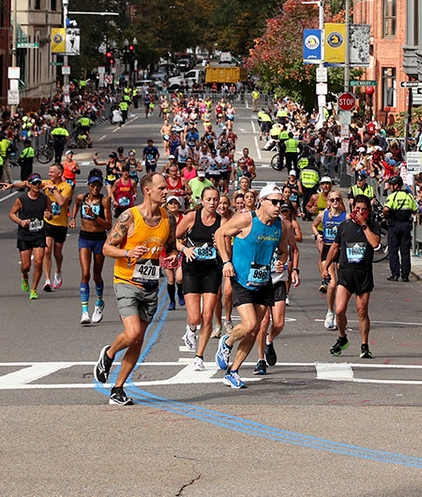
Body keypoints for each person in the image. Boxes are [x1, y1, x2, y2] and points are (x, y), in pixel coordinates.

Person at [93, 172, 180, 405]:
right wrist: (128, 253)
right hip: (126, 281)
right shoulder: (129, 217)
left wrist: (171, 258)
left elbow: (171, 247)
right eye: (161, 188)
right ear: (147, 190)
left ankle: (118, 388)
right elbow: (107, 248)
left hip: (150, 284)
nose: (166, 191)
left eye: (165, 188)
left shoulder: (168, 218)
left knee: (138, 340)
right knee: (131, 334)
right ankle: (109, 354)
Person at [213, 185, 293, 389]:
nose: (278, 206)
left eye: (280, 203)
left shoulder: (281, 226)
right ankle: (227, 342)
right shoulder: (247, 219)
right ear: (262, 201)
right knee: (249, 325)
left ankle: (233, 372)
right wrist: (226, 261)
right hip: (241, 279)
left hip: (264, 280)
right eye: (274, 202)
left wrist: (281, 262)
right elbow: (220, 233)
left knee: (255, 329)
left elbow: (284, 251)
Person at [325, 193, 381, 358]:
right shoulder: (344, 225)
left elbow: (375, 243)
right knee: (340, 310)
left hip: (363, 274)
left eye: (364, 210)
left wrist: (364, 225)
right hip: (345, 274)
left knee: (362, 311)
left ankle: (364, 345)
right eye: (357, 209)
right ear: (352, 209)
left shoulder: (372, 226)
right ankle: (342, 338)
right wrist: (326, 266)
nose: (360, 212)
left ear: (368, 211)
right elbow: (335, 248)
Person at [176, 186, 224, 371]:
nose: (213, 203)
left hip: (212, 271)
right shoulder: (191, 218)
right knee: (195, 317)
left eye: (215, 199)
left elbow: (229, 244)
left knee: (207, 315)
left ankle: (199, 356)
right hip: (192, 270)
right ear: (202, 201)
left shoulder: (222, 221)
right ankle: (190, 329)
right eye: (209, 199)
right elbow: (174, 238)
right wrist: (184, 249)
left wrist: (220, 247)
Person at [255, 199, 301, 373]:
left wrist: (294, 269)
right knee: (264, 321)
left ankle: (269, 341)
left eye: (281, 208)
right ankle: (260, 360)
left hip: (279, 278)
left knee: (279, 323)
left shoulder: (285, 226)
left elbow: (293, 249)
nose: (278, 211)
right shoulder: (255, 224)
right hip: (260, 278)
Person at [72, 173, 112, 324]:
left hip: (99, 239)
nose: (95, 188)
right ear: (88, 185)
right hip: (84, 238)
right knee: (85, 273)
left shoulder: (104, 201)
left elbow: (108, 225)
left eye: (98, 185)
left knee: (96, 275)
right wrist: (73, 218)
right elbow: (75, 205)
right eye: (92, 185)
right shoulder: (81, 198)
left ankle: (99, 302)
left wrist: (94, 216)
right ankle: (84, 312)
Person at [8, 173, 49, 299]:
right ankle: (25, 276)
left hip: (39, 234)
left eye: (39, 183)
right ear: (29, 185)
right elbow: (12, 214)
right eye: (35, 183)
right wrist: (21, 222)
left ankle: (34, 289)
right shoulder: (22, 199)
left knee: (38, 262)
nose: (37, 185)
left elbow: (50, 213)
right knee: (26, 266)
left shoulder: (45, 198)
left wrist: (49, 215)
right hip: (25, 234)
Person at [313, 190, 349, 329]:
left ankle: (339, 312)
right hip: (327, 249)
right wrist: (318, 235)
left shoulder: (345, 217)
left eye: (337, 200)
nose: (335, 202)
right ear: (328, 201)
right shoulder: (323, 215)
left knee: (341, 284)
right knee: (332, 284)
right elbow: (313, 225)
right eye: (332, 199)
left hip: (340, 250)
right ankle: (330, 311)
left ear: (341, 201)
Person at [41, 163, 74, 292]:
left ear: (59, 173)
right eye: (49, 172)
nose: (49, 174)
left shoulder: (66, 187)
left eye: (52, 172)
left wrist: (53, 189)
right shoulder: (46, 183)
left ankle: (58, 270)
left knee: (57, 253)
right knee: (47, 250)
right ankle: (47, 280)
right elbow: (29, 183)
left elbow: (61, 202)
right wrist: (13, 185)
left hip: (61, 223)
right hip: (48, 222)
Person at [383, 175, 417, 282]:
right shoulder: (409, 196)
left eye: (391, 185)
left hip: (394, 225)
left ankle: (395, 274)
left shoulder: (392, 196)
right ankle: (405, 276)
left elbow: (386, 209)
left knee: (393, 251)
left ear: (396, 185)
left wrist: (385, 215)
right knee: (405, 252)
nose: (390, 187)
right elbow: (415, 210)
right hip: (406, 226)